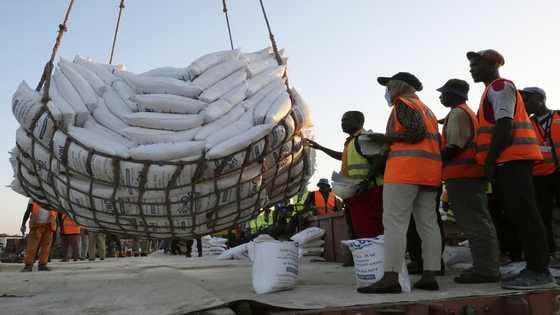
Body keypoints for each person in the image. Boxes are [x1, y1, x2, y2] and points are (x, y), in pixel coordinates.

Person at [467, 49, 554, 289]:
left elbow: (504, 127)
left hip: (514, 160)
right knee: (520, 214)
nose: (471, 69)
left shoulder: (499, 87)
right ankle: (535, 267)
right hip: (511, 161)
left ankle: (539, 270)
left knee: (526, 214)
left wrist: (489, 162)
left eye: (476, 65)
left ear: (492, 64)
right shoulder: (491, 90)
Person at [359, 72, 443, 293]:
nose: (387, 91)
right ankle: (430, 275)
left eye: (389, 86)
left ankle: (390, 277)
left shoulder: (403, 104)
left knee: (395, 224)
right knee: (428, 224)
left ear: (400, 86)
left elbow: (415, 133)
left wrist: (383, 139)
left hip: (405, 171)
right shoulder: (428, 110)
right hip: (429, 171)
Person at [438, 78, 500, 283]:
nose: (440, 96)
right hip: (469, 175)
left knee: (475, 224)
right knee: (479, 222)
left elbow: (455, 146)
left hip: (463, 175)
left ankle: (486, 270)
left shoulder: (457, 113)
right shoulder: (466, 112)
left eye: (443, 93)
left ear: (453, 94)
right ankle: (487, 266)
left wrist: (433, 161)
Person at [305, 111, 385, 239]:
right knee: (360, 231)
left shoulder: (363, 138)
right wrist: (320, 148)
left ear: (359, 122)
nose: (342, 124)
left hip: (370, 192)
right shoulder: (351, 143)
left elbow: (379, 159)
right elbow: (341, 156)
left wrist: (366, 180)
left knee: (371, 230)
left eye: (346, 120)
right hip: (357, 193)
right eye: (342, 121)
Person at [521, 86, 559, 256]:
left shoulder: (558, 116)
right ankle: (549, 250)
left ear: (541, 99)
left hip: (558, 172)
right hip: (539, 175)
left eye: (528, 99)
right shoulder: (526, 123)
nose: (525, 102)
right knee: (542, 214)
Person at [20, 200, 58, 272]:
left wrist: (57, 227)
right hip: (36, 226)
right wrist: (23, 224)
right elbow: (28, 211)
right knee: (32, 247)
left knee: (46, 247)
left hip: (49, 226)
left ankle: (42, 265)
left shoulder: (52, 198)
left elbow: (56, 214)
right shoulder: (33, 197)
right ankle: (28, 265)